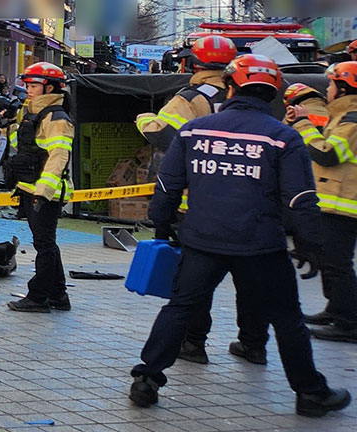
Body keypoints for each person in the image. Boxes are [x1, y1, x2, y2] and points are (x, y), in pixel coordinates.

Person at [129, 54, 351, 418]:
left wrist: (162, 225)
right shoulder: (283, 137)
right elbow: (299, 198)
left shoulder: (194, 131)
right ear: (274, 92)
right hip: (261, 245)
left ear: (231, 86)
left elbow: (168, 184)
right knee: (287, 318)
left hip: (201, 240)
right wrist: (311, 244)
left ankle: (147, 379)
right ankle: (310, 394)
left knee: (180, 308)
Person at [134, 34, 260, 364]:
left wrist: (143, 120)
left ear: (190, 63)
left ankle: (194, 344)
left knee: (195, 281)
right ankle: (253, 344)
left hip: (199, 205)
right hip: (249, 205)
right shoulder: (246, 95)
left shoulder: (190, 98)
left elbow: (164, 136)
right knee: (250, 281)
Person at [287, 62, 357, 344]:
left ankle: (349, 323)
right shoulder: (343, 116)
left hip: (344, 205)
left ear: (343, 87)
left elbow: (328, 154)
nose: (327, 90)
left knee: (336, 264)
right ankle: (336, 309)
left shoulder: (352, 119)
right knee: (331, 262)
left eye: (330, 85)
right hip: (337, 202)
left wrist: (303, 124)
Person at [3, 62, 75, 313]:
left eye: (34, 85)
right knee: (46, 243)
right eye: (28, 85)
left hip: (45, 192)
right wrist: (9, 124)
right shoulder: (34, 114)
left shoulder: (57, 117)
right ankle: (58, 296)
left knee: (44, 245)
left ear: (51, 88)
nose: (28, 90)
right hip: (30, 187)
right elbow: (24, 146)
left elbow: (58, 156)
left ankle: (38, 297)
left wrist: (43, 192)